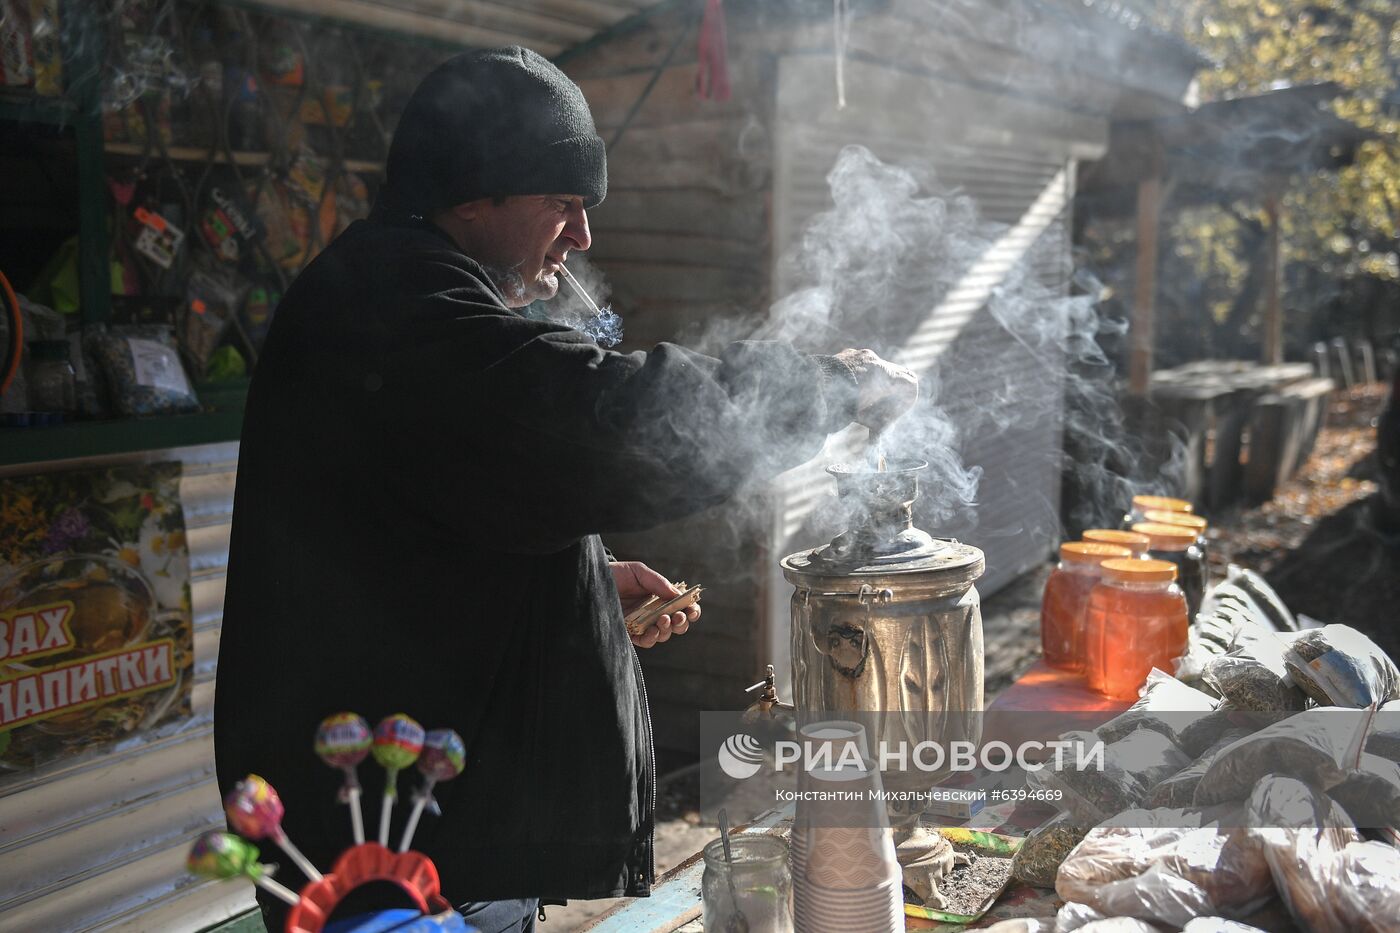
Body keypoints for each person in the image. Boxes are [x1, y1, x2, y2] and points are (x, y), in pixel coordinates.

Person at [214, 46, 916, 932]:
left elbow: (457, 512)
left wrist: (584, 580)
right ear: (476, 193)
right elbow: (604, 424)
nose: (582, 238)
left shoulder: (397, 290)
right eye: (564, 205)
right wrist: (827, 385)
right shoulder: (404, 308)